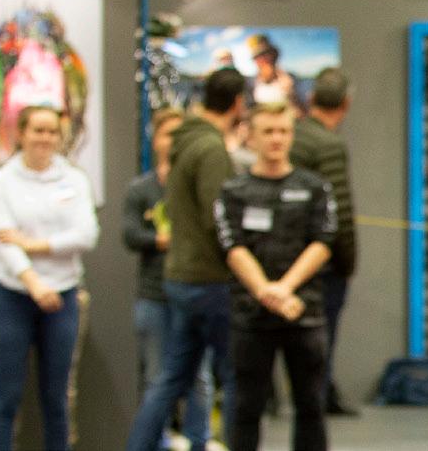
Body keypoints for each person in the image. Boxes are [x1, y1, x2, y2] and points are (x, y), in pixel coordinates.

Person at [128, 68, 249, 451]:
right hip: (209, 281)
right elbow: (219, 218)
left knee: (172, 377)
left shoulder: (186, 141)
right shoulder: (210, 148)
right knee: (236, 377)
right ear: (238, 103)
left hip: (181, 278)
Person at [217, 102, 336, 450]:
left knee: (311, 405)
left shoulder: (314, 188)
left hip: (303, 311)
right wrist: (265, 292)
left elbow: (323, 242)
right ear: (251, 136)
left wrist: (285, 288)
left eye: (283, 131)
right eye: (268, 131)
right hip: (251, 314)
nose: (276, 139)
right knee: (246, 407)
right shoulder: (233, 191)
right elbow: (233, 247)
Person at [0, 105, 97, 451]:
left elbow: (86, 235)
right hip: (12, 296)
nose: (45, 138)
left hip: (63, 298)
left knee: (57, 398)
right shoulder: (2, 180)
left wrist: (35, 244)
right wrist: (33, 282)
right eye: (38, 130)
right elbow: (3, 239)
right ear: (21, 133)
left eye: (51, 131)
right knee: (7, 398)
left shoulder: (74, 179)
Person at [125, 108, 219, 448]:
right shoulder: (141, 189)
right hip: (155, 295)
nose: (175, 141)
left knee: (199, 378)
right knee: (157, 376)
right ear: (156, 140)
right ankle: (158, 442)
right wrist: (160, 240)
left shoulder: (200, 183)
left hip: (194, 293)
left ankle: (199, 440)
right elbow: (130, 234)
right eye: (168, 134)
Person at [289, 67, 359, 416]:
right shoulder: (329, 144)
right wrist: (347, 262)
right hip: (321, 265)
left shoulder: (295, 136)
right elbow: (339, 212)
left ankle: (319, 397)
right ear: (345, 104)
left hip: (285, 260)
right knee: (320, 342)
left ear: (312, 98)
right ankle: (316, 406)